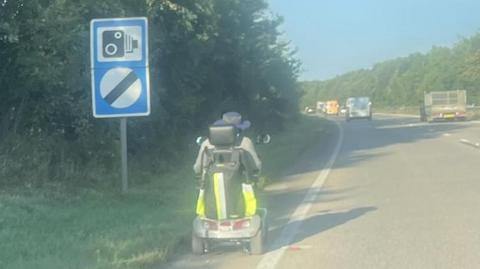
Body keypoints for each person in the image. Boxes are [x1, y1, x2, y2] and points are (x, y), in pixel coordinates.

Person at [193, 111, 262, 175]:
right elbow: (256, 166)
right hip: (240, 184)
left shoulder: (206, 143)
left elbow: (198, 167)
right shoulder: (245, 142)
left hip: (213, 185)